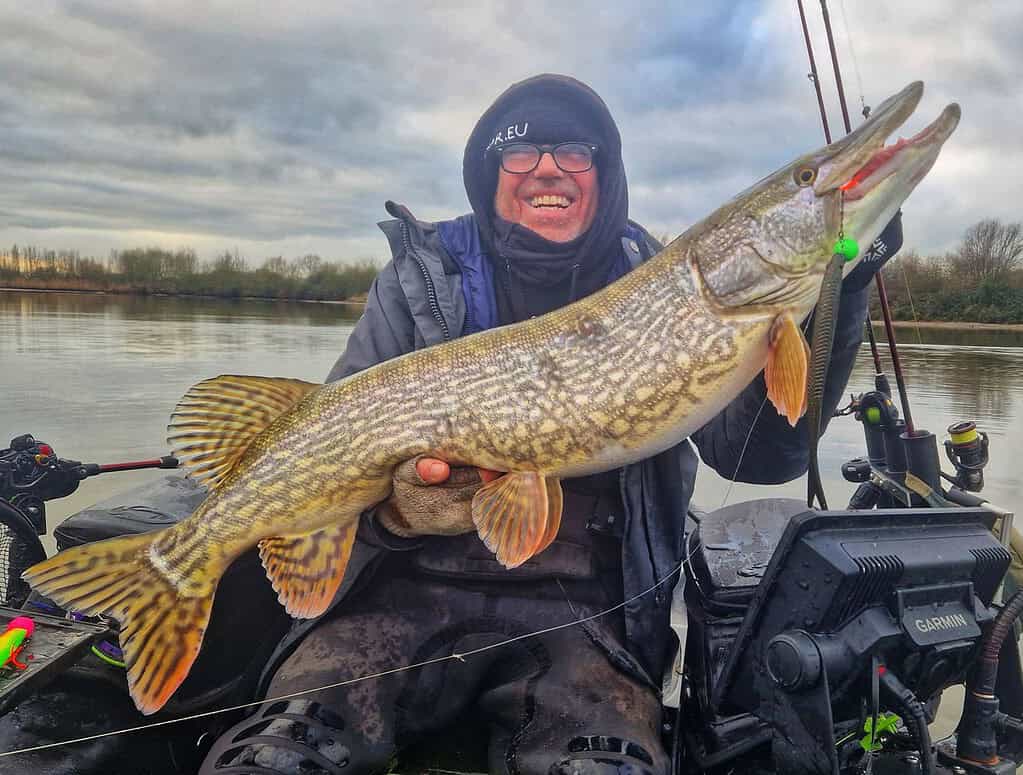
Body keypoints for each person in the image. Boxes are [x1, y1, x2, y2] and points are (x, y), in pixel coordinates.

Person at [196, 73, 900, 774]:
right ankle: (178, 572)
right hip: (395, 592)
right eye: (519, 154)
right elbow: (321, 459)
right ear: (489, 172)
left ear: (602, 173)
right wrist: (398, 517)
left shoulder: (670, 285)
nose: (546, 170)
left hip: (589, 611)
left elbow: (759, 458)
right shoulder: (420, 279)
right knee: (280, 759)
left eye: (573, 152)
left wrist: (844, 282)